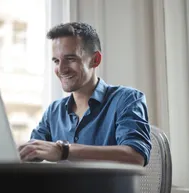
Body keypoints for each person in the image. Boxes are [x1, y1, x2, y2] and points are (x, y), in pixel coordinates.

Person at [18, 22, 152, 166]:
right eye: (57, 61)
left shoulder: (127, 100)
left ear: (95, 60)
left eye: (70, 59)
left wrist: (64, 150)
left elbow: (136, 156)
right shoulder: (54, 111)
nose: (61, 69)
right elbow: (30, 151)